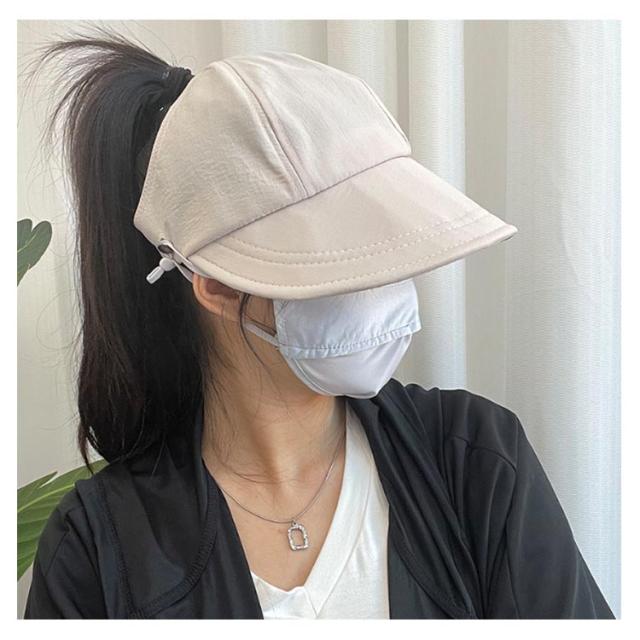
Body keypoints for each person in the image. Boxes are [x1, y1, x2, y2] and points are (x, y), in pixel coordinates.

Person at [23, 27, 614, 619]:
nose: (384, 280)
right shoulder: (97, 553)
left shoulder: (476, 463)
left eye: (390, 238)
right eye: (342, 253)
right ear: (218, 283)